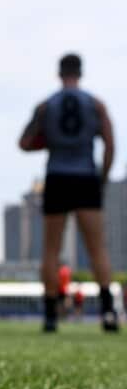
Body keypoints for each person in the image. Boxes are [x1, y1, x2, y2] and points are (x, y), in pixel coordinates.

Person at [19, 53, 118, 333]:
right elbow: (110, 144)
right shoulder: (96, 104)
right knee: (98, 248)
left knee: (51, 249)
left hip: (58, 176)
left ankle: (50, 315)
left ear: (59, 73)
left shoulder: (46, 106)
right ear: (81, 73)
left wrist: (48, 140)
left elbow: (24, 142)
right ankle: (108, 311)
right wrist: (103, 177)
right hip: (86, 176)